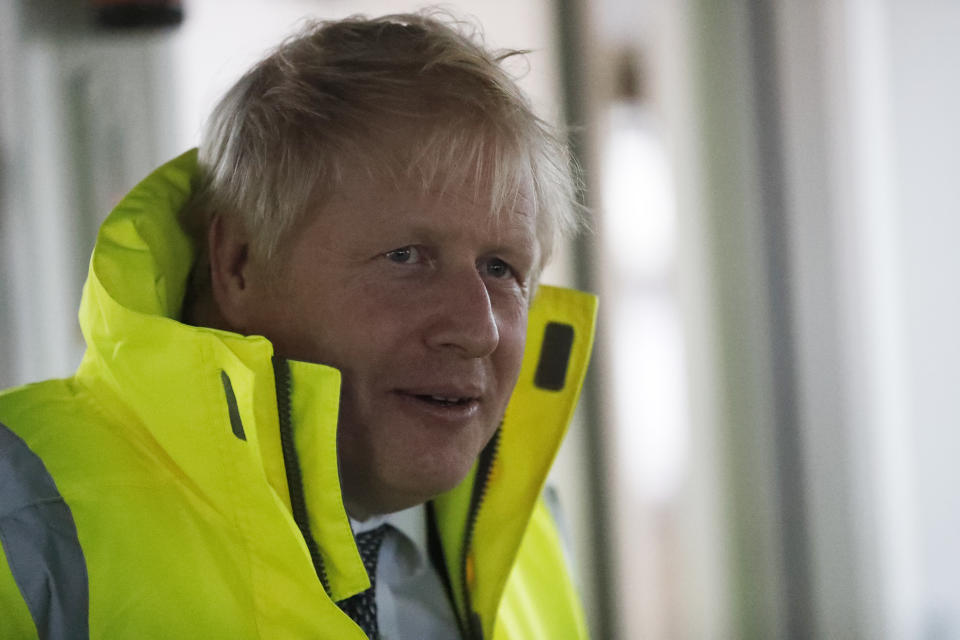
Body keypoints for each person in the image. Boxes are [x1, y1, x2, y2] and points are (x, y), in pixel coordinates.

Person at [0, 11, 597, 639]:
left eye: (501, 268)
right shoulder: (25, 522)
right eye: (406, 257)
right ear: (239, 263)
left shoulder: (533, 534)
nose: (479, 330)